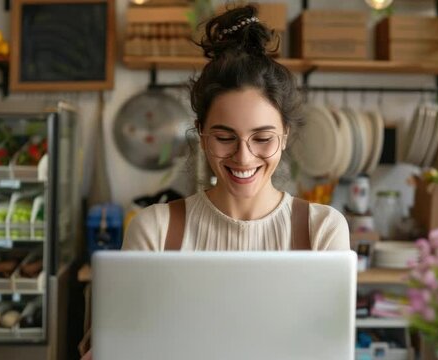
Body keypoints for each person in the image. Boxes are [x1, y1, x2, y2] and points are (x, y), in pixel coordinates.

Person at [81, 4, 350, 359]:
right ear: (203, 134)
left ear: (284, 135)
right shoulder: (156, 229)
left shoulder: (322, 230)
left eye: (262, 138)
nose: (243, 157)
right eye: (225, 137)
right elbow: (121, 345)